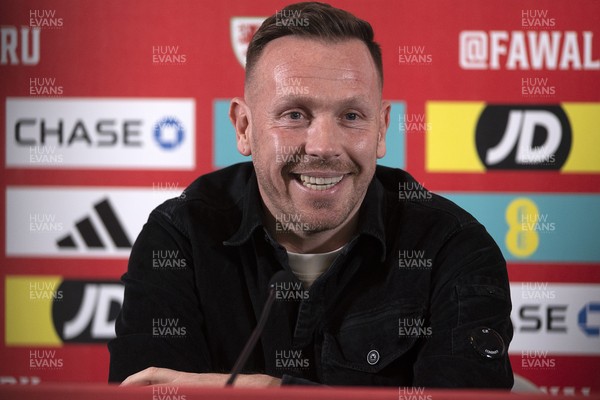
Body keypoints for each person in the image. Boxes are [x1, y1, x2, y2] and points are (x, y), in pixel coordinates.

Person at [109, 1, 513, 388]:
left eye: (351, 116)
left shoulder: (454, 248)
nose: (323, 146)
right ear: (244, 128)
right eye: (294, 115)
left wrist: (271, 390)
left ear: (382, 129)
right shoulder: (179, 238)